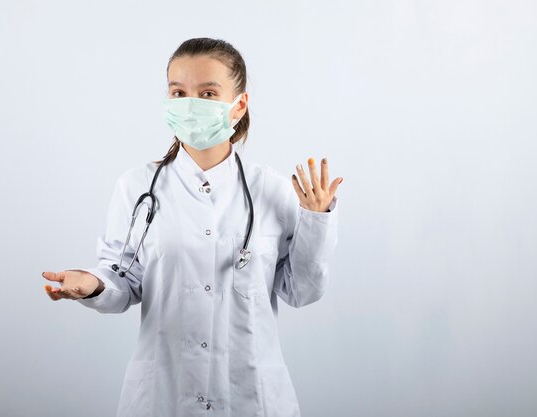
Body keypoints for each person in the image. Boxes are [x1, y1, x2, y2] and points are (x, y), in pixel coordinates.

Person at [41, 37, 342, 417]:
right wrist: (93, 284)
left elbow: (300, 291)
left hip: (251, 398)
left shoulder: (272, 190)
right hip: (164, 396)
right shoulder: (136, 188)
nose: (190, 104)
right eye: (178, 92)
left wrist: (316, 219)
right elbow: (123, 282)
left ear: (239, 105)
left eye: (207, 93)